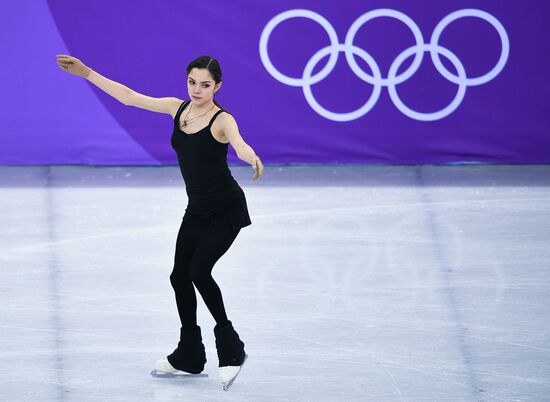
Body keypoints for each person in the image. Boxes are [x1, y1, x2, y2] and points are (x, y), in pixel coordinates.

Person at [56, 54, 263, 390]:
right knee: (179, 276)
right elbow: (128, 96)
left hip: (226, 208)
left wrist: (250, 155)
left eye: (205, 85)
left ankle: (231, 346)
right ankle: (190, 355)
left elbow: (238, 142)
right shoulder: (176, 108)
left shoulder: (222, 119)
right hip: (197, 208)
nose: (197, 89)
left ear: (218, 86)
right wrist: (87, 73)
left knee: (198, 271)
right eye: (192, 82)